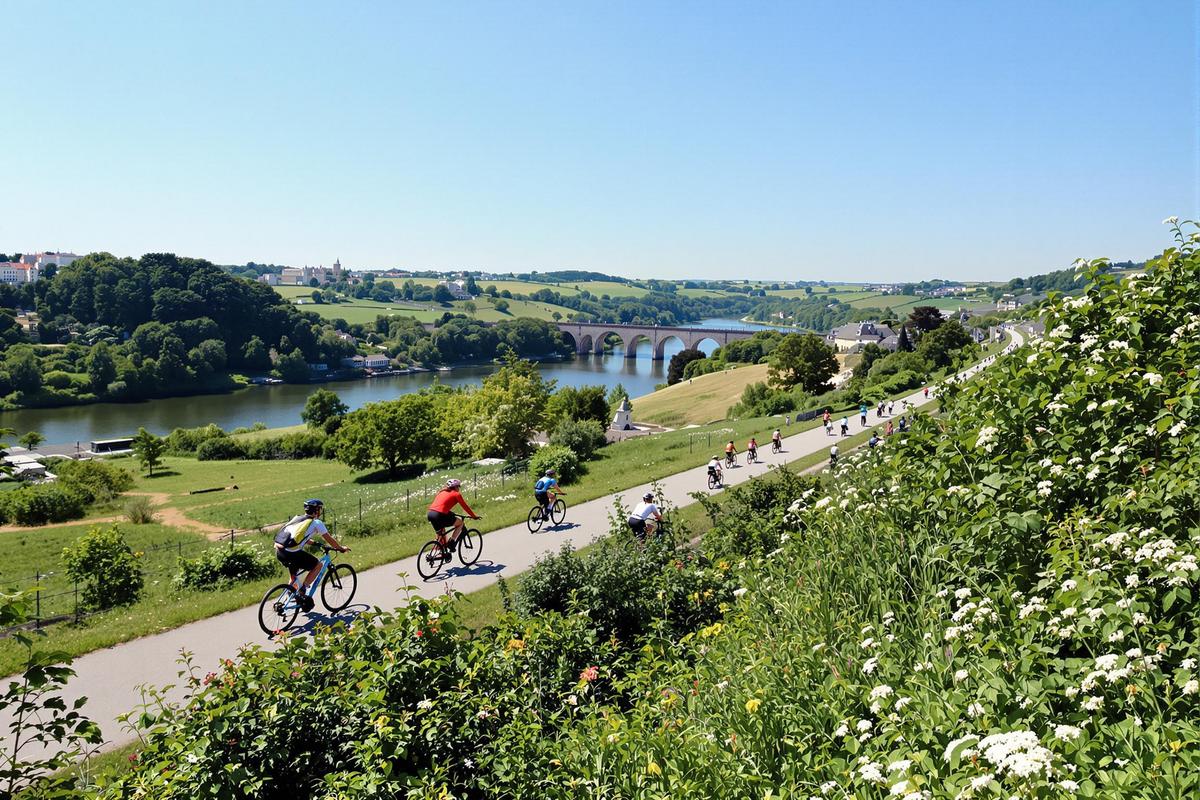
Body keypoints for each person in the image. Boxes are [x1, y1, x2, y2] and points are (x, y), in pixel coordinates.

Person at [273, 499, 350, 612]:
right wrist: (340, 548)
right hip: (292, 554)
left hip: (280, 552)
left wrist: (315, 543)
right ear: (317, 510)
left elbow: (300, 537)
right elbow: (329, 539)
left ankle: (288, 598)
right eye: (320, 509)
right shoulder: (316, 523)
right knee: (318, 565)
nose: (320, 511)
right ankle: (303, 590)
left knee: (294, 576)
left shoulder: (297, 519)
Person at [427, 478, 479, 553]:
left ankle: (439, 553)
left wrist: (450, 513)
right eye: (458, 486)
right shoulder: (456, 494)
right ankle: (452, 542)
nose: (459, 488)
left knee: (441, 534)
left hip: (431, 514)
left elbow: (440, 506)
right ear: (455, 487)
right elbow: (465, 507)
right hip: (440, 515)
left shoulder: (441, 492)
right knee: (460, 523)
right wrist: (474, 516)